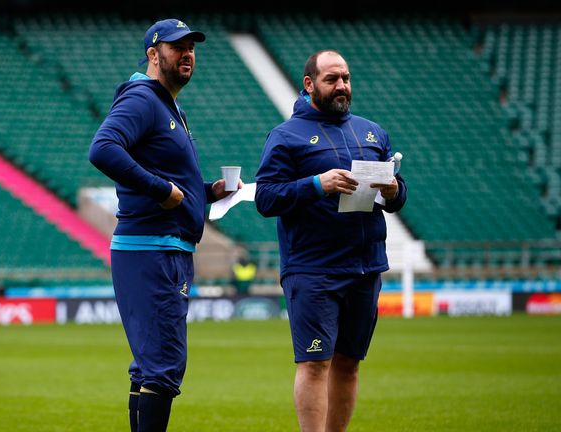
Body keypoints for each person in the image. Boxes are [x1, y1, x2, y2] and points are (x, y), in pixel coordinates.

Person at [88, 18, 238, 432]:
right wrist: (160, 189)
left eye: (191, 47)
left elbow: (175, 182)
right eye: (177, 47)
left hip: (162, 247)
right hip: (152, 248)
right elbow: (102, 149)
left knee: (150, 367)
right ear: (154, 55)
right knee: (164, 366)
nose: (187, 53)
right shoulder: (143, 98)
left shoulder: (169, 105)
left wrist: (209, 191)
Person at [254, 50, 407, 432]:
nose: (342, 86)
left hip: (366, 265)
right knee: (315, 363)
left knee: (349, 363)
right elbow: (266, 198)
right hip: (313, 269)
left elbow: (398, 197)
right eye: (331, 79)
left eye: (346, 78)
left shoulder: (372, 132)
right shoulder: (285, 136)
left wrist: (393, 190)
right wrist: (316, 184)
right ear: (309, 85)